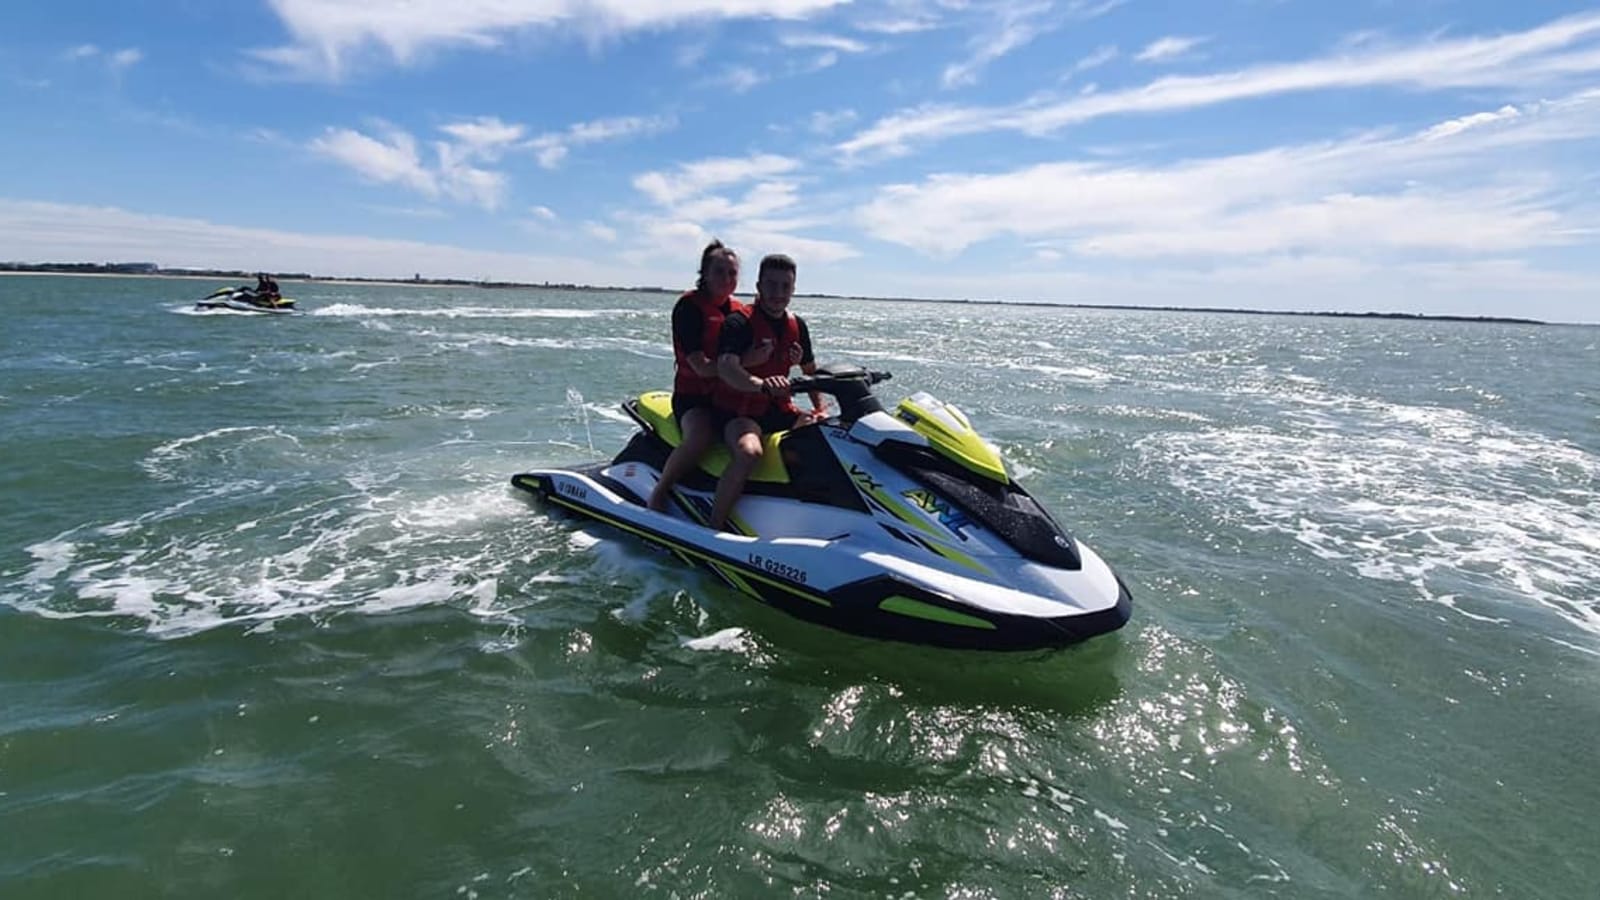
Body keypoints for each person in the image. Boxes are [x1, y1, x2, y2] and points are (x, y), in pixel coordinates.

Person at [706, 253, 824, 532]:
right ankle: (713, 526)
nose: (778, 293)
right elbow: (727, 367)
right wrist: (761, 384)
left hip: (778, 410)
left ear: (793, 289)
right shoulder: (738, 322)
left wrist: (820, 408)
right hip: (739, 412)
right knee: (749, 452)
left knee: (827, 436)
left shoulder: (797, 325)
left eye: (785, 286)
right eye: (771, 285)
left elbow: (811, 371)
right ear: (759, 286)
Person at [646, 240, 745, 513]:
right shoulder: (689, 308)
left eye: (732, 273)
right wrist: (744, 364)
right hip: (693, 399)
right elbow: (701, 367)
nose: (727, 279)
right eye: (719, 271)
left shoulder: (739, 312)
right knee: (702, 435)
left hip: (729, 397)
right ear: (705, 274)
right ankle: (659, 492)